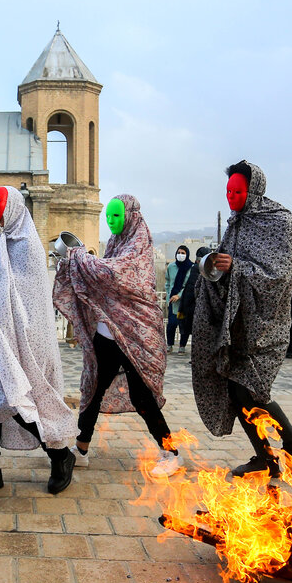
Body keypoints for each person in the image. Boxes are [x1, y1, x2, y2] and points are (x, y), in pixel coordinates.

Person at [192, 160, 292, 478]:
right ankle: (266, 456)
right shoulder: (236, 223)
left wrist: (238, 267)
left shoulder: (279, 221)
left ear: (253, 190)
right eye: (228, 191)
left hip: (266, 324)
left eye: (238, 191)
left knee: (252, 390)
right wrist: (212, 264)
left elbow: (280, 276)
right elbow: (228, 271)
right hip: (237, 324)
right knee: (235, 390)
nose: (231, 196)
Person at [53, 194, 182, 478]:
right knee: (92, 389)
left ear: (131, 216)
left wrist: (79, 257)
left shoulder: (138, 246)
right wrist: (81, 260)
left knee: (141, 397)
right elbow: (102, 278)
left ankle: (170, 452)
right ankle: (82, 449)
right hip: (107, 332)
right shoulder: (114, 244)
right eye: (108, 216)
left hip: (134, 334)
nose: (111, 221)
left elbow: (114, 275)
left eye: (116, 216)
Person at [0, 186, 77, 494]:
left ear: (12, 206)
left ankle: (60, 455)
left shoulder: (28, 244)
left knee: (17, 400)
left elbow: (25, 295)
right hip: (0, 335)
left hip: (27, 339)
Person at [177, 246, 210, 350]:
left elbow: (190, 290)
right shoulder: (203, 270)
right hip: (201, 308)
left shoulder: (196, 269)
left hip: (195, 308)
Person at [164, 245, 193, 354]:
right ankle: (170, 344)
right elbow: (167, 283)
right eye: (179, 252)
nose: (180, 255)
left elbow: (189, 285)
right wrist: (168, 296)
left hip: (184, 303)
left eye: (183, 253)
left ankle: (182, 345)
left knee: (183, 324)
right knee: (171, 323)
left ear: (187, 254)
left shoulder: (191, 268)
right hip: (172, 302)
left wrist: (179, 295)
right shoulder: (171, 267)